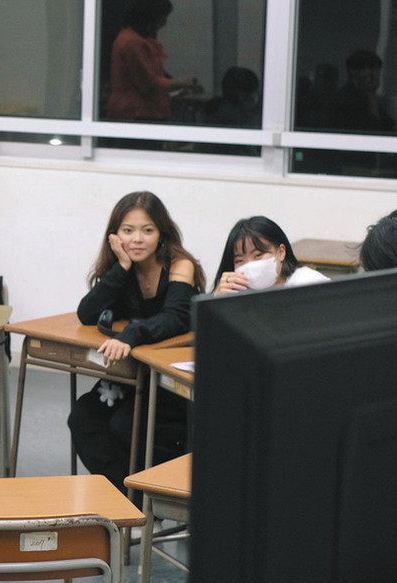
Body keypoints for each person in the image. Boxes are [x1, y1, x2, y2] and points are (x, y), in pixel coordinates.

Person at [69, 191, 206, 494]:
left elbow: (175, 318)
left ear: (162, 233)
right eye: (128, 230)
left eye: (148, 230)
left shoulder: (180, 264)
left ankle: (141, 499)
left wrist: (131, 335)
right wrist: (121, 267)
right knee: (82, 419)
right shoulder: (123, 268)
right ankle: (125, 498)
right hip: (131, 375)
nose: (137, 239)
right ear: (115, 235)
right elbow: (87, 313)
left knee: (123, 426)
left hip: (168, 379)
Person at [105, 0, 199, 122]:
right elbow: (148, 84)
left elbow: (152, 77)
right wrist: (181, 83)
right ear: (150, 17)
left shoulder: (133, 39)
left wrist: (176, 86)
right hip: (137, 113)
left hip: (140, 111)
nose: (164, 23)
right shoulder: (132, 42)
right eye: (162, 18)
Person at [212, 216, 328, 294]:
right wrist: (217, 303)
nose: (250, 266)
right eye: (239, 260)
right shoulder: (234, 291)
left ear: (281, 253)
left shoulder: (309, 284)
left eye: (258, 255)